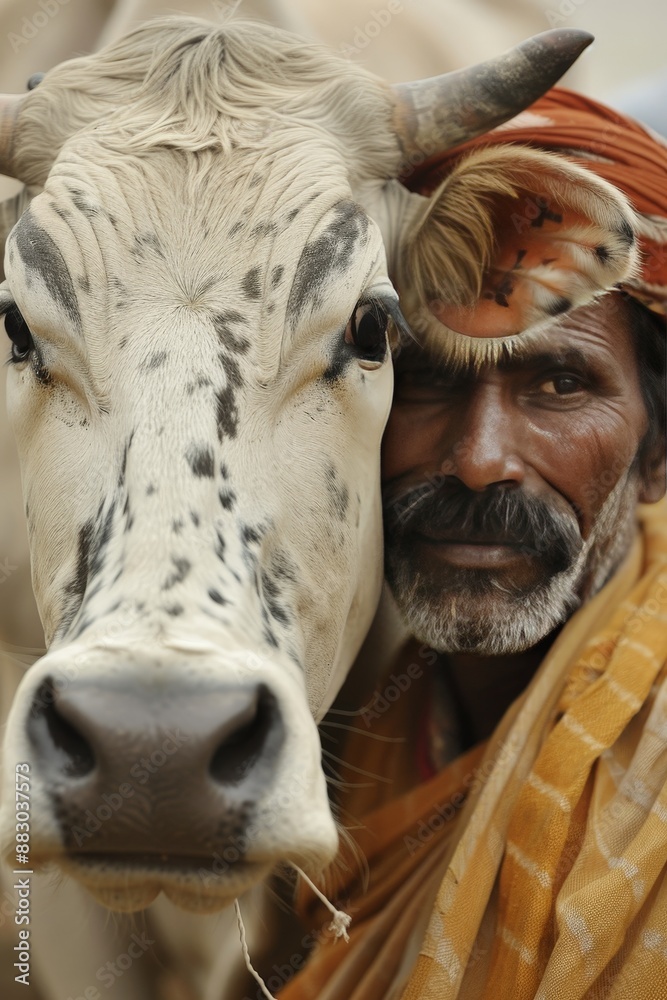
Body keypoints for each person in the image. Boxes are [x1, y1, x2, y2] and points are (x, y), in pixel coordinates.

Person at [277, 90, 667, 1000]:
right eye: (424, 379)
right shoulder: (367, 726)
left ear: (657, 454)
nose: (478, 460)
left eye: (560, 383)